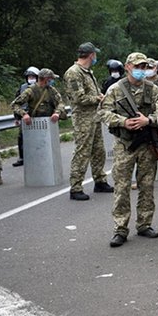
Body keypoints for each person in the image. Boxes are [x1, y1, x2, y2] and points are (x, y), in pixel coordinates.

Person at [99, 52, 158, 247]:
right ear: (128, 67)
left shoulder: (153, 89)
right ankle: (120, 229)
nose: (141, 70)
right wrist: (124, 122)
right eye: (137, 66)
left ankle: (144, 224)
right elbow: (103, 112)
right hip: (125, 144)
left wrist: (149, 120)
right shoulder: (115, 89)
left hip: (147, 144)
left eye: (144, 67)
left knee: (147, 185)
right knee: (121, 187)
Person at [63, 42, 113, 200]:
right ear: (91, 55)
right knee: (82, 152)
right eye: (95, 54)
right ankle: (76, 187)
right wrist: (97, 98)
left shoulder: (86, 72)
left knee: (98, 151)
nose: (96, 57)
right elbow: (78, 98)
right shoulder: (74, 72)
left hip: (94, 116)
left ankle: (100, 180)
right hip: (83, 118)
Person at [12, 66, 40, 167]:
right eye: (29, 76)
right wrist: (17, 118)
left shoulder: (41, 87)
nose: (31, 78)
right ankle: (22, 157)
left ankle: (39, 155)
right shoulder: (22, 87)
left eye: (33, 76)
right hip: (24, 116)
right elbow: (16, 103)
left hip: (38, 116)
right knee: (21, 137)